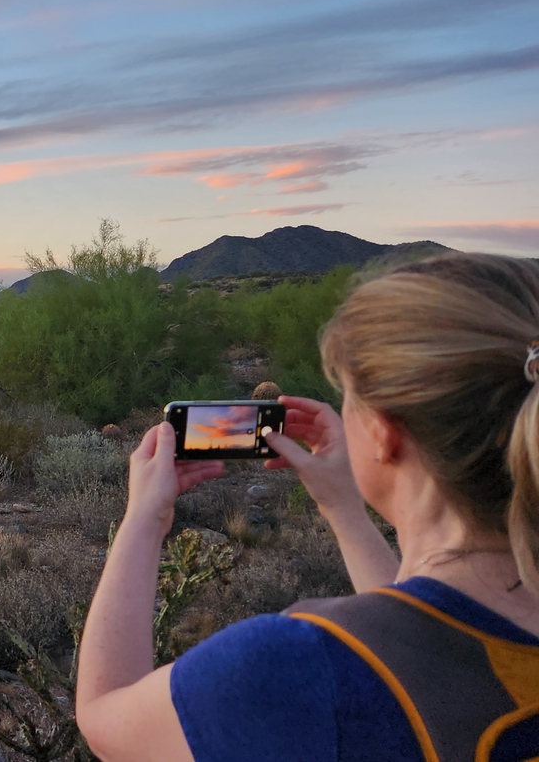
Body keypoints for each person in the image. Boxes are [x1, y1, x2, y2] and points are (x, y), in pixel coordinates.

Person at [75, 253, 539, 761]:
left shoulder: (298, 667)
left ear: (383, 432)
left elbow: (104, 718)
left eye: (348, 396)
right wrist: (343, 508)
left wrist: (144, 520)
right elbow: (423, 641)